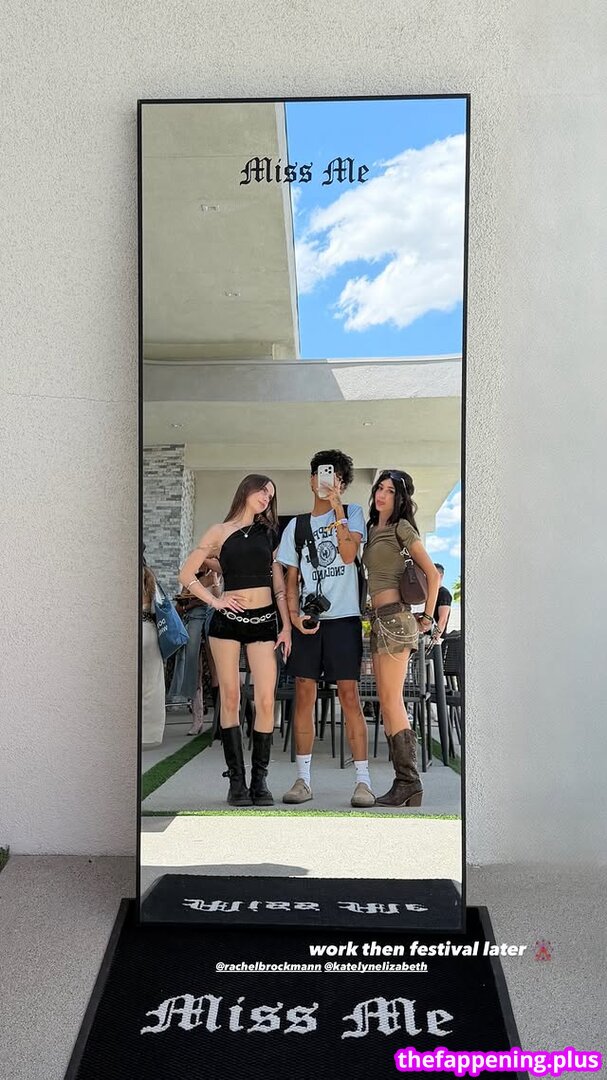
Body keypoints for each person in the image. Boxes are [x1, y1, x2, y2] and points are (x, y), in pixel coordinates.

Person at [178, 475, 291, 806]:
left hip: (265, 622)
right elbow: (186, 574)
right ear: (246, 489)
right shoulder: (218, 531)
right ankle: (237, 782)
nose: (267, 498)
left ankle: (260, 781)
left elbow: (279, 587)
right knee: (230, 697)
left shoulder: (270, 534)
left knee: (265, 700)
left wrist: (286, 626)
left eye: (271, 495)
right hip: (226, 622)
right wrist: (215, 601)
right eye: (263, 491)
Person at [277, 449, 374, 808]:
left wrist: (336, 506)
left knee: (349, 695)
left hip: (344, 619)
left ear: (342, 484)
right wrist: (293, 617)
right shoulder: (296, 526)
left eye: (335, 477)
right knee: (304, 694)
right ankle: (303, 780)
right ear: (311, 480)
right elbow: (291, 579)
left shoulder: (352, 513)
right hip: (309, 620)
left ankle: (363, 782)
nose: (327, 481)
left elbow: (348, 555)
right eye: (321, 475)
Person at [362, 470, 440, 807]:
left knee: (393, 700)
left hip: (396, 619)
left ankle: (409, 781)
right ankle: (405, 782)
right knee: (385, 700)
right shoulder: (372, 529)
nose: (382, 494)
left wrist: (428, 618)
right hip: (378, 621)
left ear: (401, 497)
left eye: (390, 491)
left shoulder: (401, 527)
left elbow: (433, 575)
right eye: (379, 488)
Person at [141, 559, 167, 748]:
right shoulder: (151, 583)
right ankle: (150, 733)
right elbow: (158, 609)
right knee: (153, 683)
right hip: (149, 631)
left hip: (133, 634)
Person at [433, 564, 453, 638]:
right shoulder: (431, 593)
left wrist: (435, 638)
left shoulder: (444, 593)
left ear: (440, 576)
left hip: (436, 638)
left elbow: (443, 619)